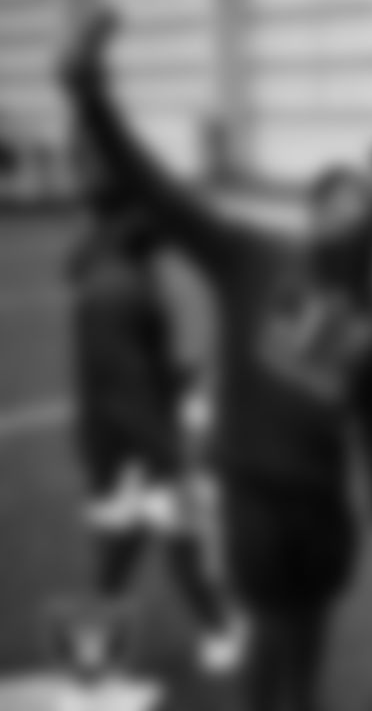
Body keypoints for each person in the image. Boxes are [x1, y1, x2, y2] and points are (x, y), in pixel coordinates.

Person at [63, 7, 372, 711]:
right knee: (270, 642)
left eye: (358, 203)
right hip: (254, 506)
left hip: (322, 513)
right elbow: (155, 185)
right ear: (314, 214)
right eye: (332, 198)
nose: (341, 209)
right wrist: (91, 94)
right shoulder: (253, 258)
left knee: (306, 642)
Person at [66, 157, 239, 675]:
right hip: (136, 449)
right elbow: (127, 391)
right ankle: (220, 633)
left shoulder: (124, 273)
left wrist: (180, 378)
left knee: (128, 553)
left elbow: (137, 369)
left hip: (124, 446)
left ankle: (213, 632)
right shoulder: (117, 287)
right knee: (161, 546)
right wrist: (173, 465)